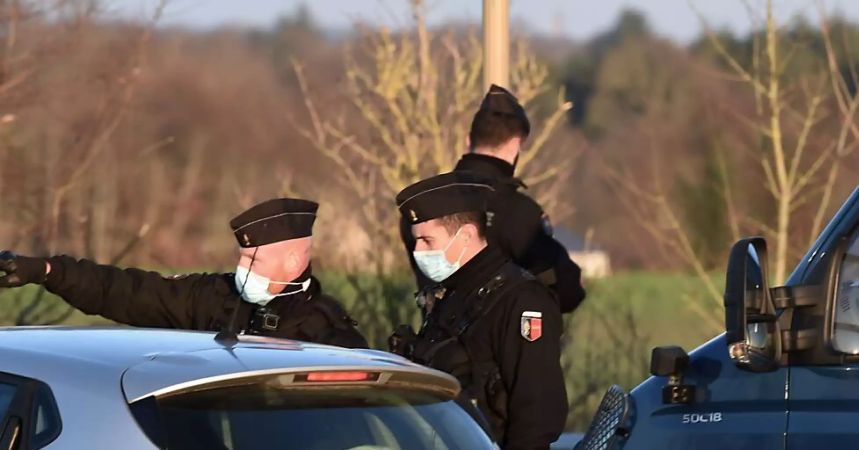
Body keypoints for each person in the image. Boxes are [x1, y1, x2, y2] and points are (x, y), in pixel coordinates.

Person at [0, 198, 368, 348]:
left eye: (253, 262)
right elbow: (128, 292)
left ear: (292, 263)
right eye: (241, 258)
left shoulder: (333, 338)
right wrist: (50, 271)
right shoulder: (215, 298)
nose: (242, 271)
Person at [391, 172, 568, 450]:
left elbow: (538, 413)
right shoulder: (451, 294)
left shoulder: (521, 300)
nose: (417, 251)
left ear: (466, 236)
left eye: (427, 241)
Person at [401, 84, 585, 314]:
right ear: (515, 145)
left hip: (434, 343)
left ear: (469, 141)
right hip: (502, 345)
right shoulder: (520, 213)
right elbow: (568, 290)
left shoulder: (425, 203)